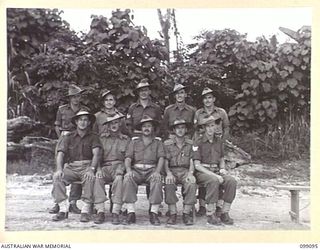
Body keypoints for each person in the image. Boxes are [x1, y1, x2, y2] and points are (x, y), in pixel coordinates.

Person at [51, 110, 102, 222]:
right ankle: (63, 210)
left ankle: (85, 211)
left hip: (87, 166)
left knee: (89, 178)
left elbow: (96, 154)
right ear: (76, 122)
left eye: (85, 120)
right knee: (57, 178)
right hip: (71, 167)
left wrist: (92, 169)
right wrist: (59, 169)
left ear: (89, 123)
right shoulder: (68, 137)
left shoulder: (93, 137)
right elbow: (60, 154)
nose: (83, 122)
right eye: (80, 120)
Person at [50, 84, 88, 215]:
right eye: (74, 96)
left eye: (79, 96)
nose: (77, 99)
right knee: (60, 170)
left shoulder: (85, 109)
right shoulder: (62, 109)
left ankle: (73, 202)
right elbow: (57, 125)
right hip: (65, 137)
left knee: (77, 168)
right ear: (70, 98)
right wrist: (61, 138)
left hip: (79, 139)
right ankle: (58, 203)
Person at [192, 116, 237, 225]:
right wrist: (215, 176)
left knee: (231, 181)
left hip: (216, 170)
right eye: (208, 126)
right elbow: (197, 165)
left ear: (216, 127)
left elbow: (221, 158)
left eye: (212, 125)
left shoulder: (219, 141)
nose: (210, 129)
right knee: (213, 180)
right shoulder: (198, 142)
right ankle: (210, 213)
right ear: (204, 128)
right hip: (203, 172)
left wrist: (222, 168)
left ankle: (224, 212)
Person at [193, 87, 230, 216]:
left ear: (214, 99)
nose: (207, 100)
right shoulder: (199, 113)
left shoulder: (221, 112)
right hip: (203, 145)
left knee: (221, 176)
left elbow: (226, 128)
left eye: (210, 97)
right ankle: (204, 207)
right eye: (205, 98)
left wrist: (221, 143)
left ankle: (219, 206)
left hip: (217, 144)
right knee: (208, 177)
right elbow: (196, 130)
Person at [122, 115, 165, 225]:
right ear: (140, 129)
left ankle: (154, 212)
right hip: (136, 169)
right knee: (127, 179)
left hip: (151, 170)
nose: (146, 128)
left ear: (153, 128)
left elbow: (161, 158)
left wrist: (157, 172)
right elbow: (128, 158)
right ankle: (131, 212)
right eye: (144, 126)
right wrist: (128, 171)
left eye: (149, 126)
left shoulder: (158, 142)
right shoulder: (134, 142)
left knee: (157, 180)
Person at [93, 113, 130, 224]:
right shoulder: (102, 138)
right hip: (105, 166)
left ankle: (115, 212)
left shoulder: (126, 139)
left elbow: (128, 158)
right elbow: (97, 156)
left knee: (119, 179)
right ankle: (100, 212)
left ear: (120, 124)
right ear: (107, 126)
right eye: (111, 123)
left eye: (116, 123)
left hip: (119, 166)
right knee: (98, 178)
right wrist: (98, 169)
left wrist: (122, 169)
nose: (114, 125)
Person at [163, 119, 197, 225]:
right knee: (168, 183)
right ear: (174, 130)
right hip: (172, 170)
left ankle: (186, 213)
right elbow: (165, 161)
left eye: (182, 128)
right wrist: (168, 173)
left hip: (185, 170)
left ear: (186, 129)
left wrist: (191, 173)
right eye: (178, 128)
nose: (180, 130)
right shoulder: (167, 144)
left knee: (191, 183)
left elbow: (192, 160)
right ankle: (173, 213)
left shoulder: (191, 144)